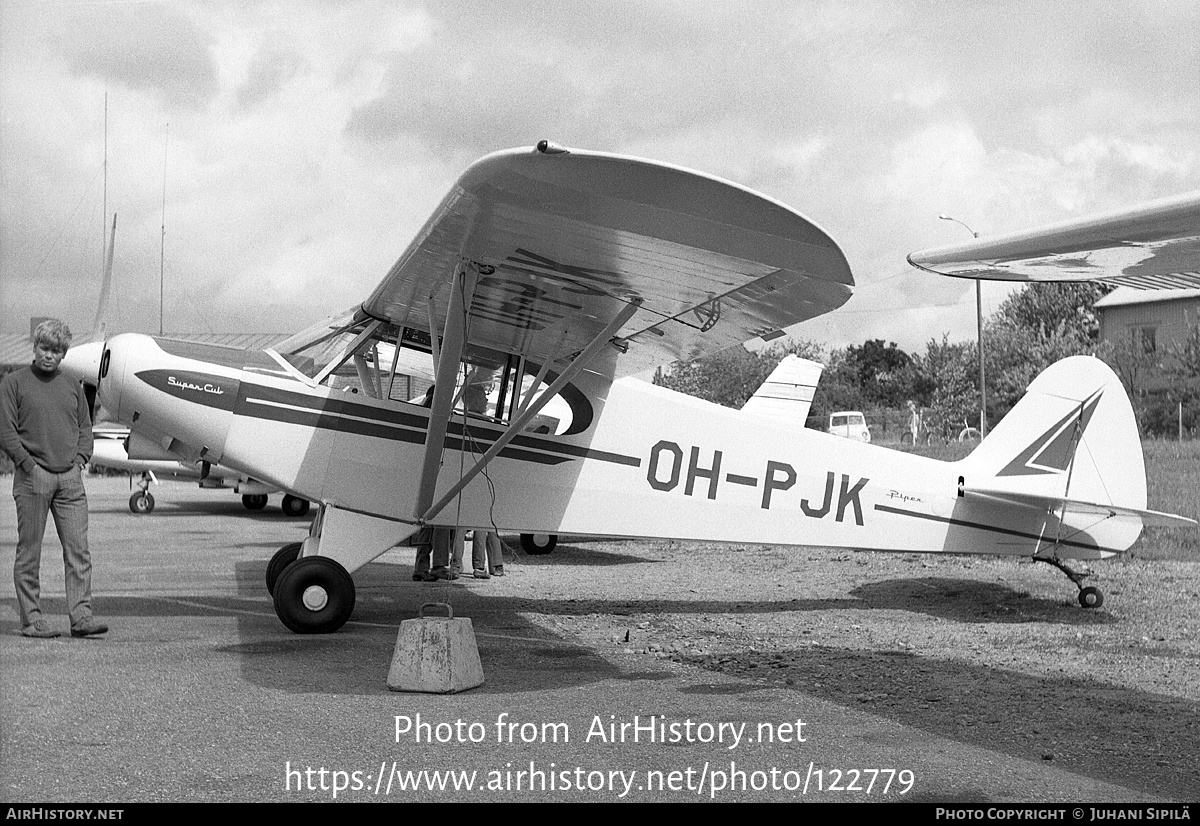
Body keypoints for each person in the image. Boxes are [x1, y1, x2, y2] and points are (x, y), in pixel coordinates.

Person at [0, 320, 107, 638]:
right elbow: (6, 430)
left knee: (79, 551)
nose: (49, 355)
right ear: (35, 347)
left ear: (63, 353)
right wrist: (28, 465)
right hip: (33, 479)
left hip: (70, 481)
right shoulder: (13, 383)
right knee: (29, 551)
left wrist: (80, 460)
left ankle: (81, 618)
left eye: (57, 350)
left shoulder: (73, 384)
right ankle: (32, 620)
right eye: (45, 348)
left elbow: (85, 428)